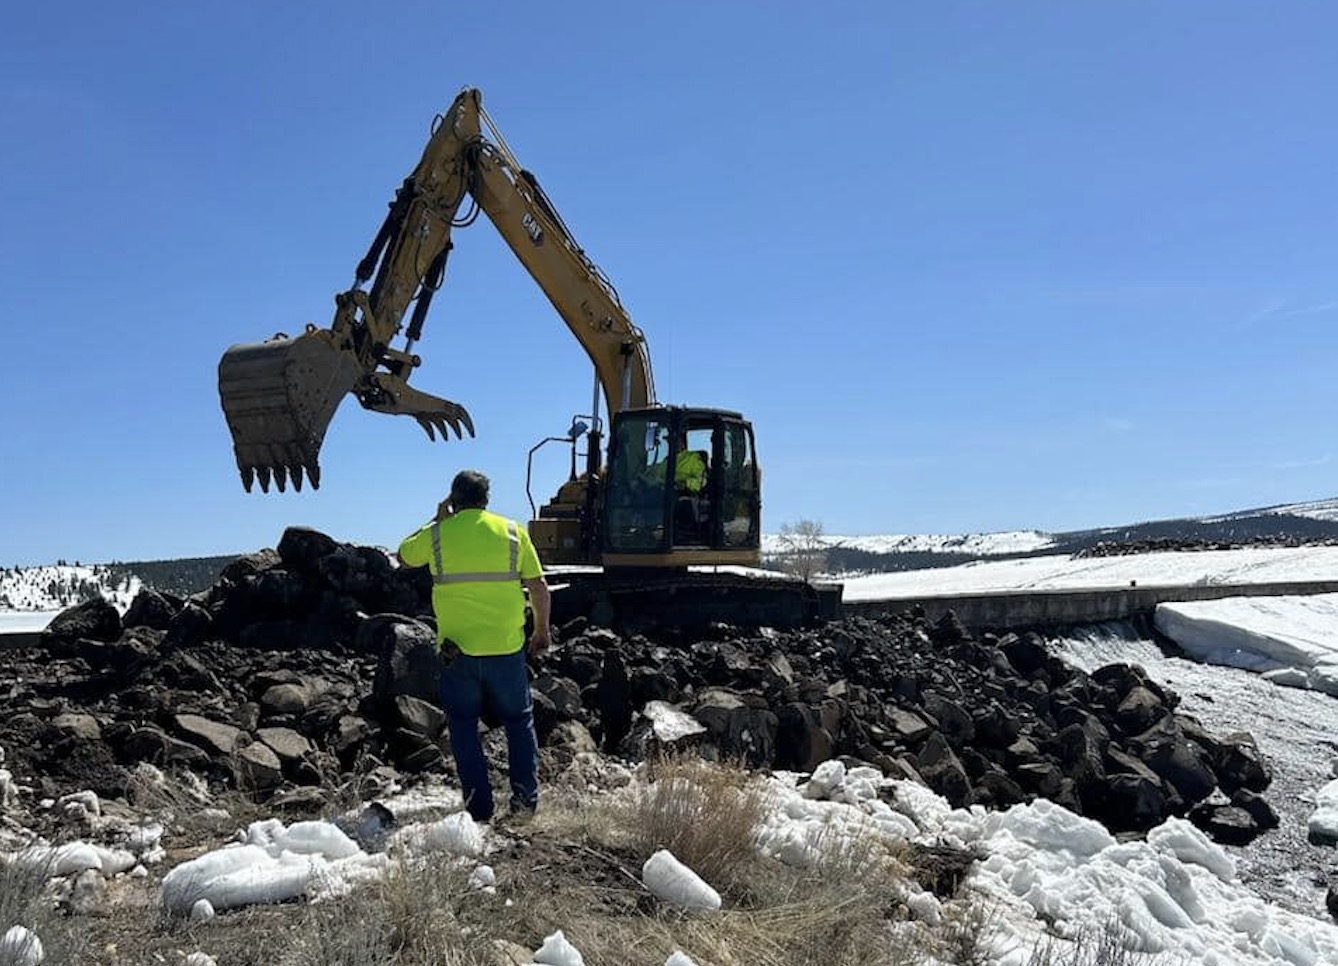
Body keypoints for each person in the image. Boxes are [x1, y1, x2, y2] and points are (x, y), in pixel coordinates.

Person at [397, 469, 551, 822]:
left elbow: (404, 557)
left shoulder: (437, 535)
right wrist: (541, 632)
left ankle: (479, 810)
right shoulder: (513, 532)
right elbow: (539, 587)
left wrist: (435, 520)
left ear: (453, 499)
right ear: (487, 499)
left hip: (457, 652)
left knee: (464, 726)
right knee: (518, 720)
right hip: (507, 647)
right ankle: (525, 804)